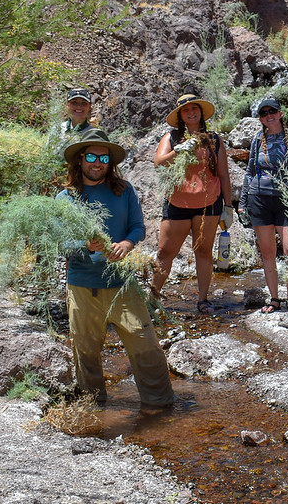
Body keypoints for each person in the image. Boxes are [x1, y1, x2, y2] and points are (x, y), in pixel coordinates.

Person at [57, 129, 175, 408]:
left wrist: (127, 243)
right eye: (91, 156)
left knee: (145, 344)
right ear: (80, 160)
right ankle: (95, 409)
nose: (97, 162)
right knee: (85, 352)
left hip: (122, 284)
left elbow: (138, 228)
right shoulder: (66, 197)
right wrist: (86, 245)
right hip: (82, 286)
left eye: (104, 157)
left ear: (110, 162)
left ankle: (161, 405)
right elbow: (60, 243)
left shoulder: (124, 190)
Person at [151, 94, 233, 315]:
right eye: (186, 110)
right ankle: (152, 298)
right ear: (180, 115)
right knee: (165, 252)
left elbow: (224, 175)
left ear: (201, 112)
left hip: (209, 204)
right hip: (177, 202)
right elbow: (159, 163)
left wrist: (228, 206)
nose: (191, 112)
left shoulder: (214, 139)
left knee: (204, 252)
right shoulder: (171, 138)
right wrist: (180, 149)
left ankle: (203, 299)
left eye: (195, 108)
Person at [238, 98, 288, 314]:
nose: (269, 115)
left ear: (280, 114)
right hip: (259, 200)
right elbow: (250, 170)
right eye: (264, 113)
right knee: (268, 253)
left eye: (273, 111)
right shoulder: (258, 140)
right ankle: (275, 299)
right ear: (260, 118)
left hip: (287, 199)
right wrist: (242, 202)